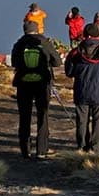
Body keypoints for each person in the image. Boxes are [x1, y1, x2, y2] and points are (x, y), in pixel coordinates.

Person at [11, 19, 63, 160]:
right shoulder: (44, 42)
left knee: (24, 117)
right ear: (37, 29)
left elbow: (13, 62)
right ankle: (41, 150)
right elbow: (58, 62)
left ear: (24, 30)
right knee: (42, 116)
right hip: (42, 83)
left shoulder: (19, 43)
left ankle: (25, 150)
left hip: (23, 84)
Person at [64, 23, 99, 153]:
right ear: (97, 35)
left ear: (85, 35)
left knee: (82, 122)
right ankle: (96, 150)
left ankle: (82, 147)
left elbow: (69, 72)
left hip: (81, 91)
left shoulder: (75, 53)